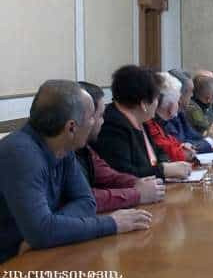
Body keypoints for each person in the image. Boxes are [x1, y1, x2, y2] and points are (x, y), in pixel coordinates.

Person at [0, 80, 152, 263]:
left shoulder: (64, 147)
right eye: (91, 117)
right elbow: (42, 232)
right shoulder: (19, 153)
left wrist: (50, 227)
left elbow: (87, 202)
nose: (95, 122)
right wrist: (112, 223)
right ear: (71, 127)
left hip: (34, 252)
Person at [76, 82, 165, 213]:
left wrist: (137, 183)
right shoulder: (112, 126)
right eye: (100, 116)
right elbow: (83, 199)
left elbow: (107, 174)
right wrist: (137, 194)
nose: (103, 121)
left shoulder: (83, 147)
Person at [94, 65, 192, 180]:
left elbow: (159, 152)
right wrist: (163, 170)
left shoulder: (142, 121)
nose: (157, 103)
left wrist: (167, 164)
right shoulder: (112, 127)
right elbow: (124, 173)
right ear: (144, 103)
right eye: (156, 99)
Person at [164, 69, 213, 153]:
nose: (192, 95)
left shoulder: (179, 114)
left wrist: (208, 139)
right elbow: (182, 147)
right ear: (179, 95)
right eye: (190, 92)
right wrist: (209, 141)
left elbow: (193, 136)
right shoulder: (167, 118)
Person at [145, 72, 196, 162]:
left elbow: (172, 141)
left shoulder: (159, 122)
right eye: (177, 101)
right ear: (171, 106)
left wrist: (182, 146)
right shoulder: (150, 123)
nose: (179, 103)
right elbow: (165, 149)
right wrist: (183, 152)